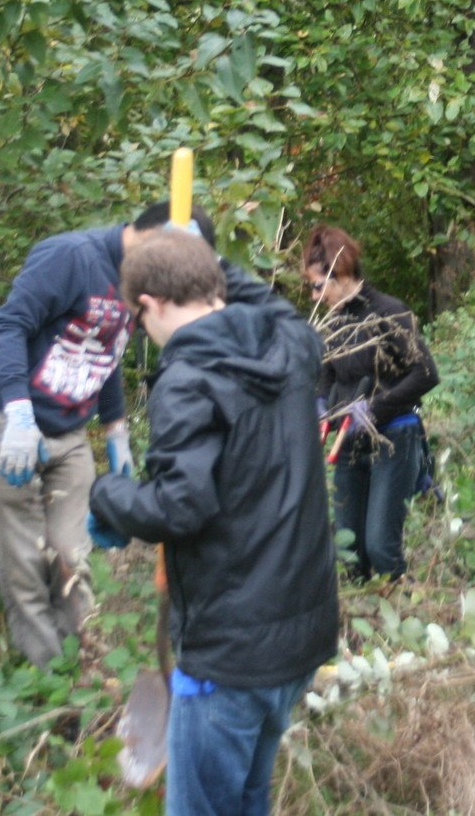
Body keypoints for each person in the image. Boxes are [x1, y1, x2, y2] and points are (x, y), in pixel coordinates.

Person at [87, 230, 338, 816]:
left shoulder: (188, 380)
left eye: (137, 315)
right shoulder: (292, 343)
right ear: (213, 286)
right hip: (298, 642)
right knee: (248, 798)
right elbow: (267, 302)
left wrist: (107, 495)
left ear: (148, 304)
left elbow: (179, 507)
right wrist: (205, 258)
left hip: (230, 656)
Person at [0, 200, 172, 666]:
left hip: (69, 436)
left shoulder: (140, 283)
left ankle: (88, 667)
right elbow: (8, 326)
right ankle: (50, 679)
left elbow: (108, 347)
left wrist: (115, 428)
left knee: (70, 557)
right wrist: (19, 413)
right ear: (146, 237)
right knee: (26, 567)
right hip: (7, 428)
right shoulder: (70, 257)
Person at [302, 224, 439, 580]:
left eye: (318, 285)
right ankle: (361, 630)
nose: (315, 296)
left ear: (341, 273)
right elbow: (327, 374)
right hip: (349, 440)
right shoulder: (333, 323)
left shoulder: (389, 313)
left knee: (380, 546)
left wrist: (376, 409)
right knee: (350, 551)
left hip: (394, 436)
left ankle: (404, 615)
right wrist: (321, 404)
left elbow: (426, 373)